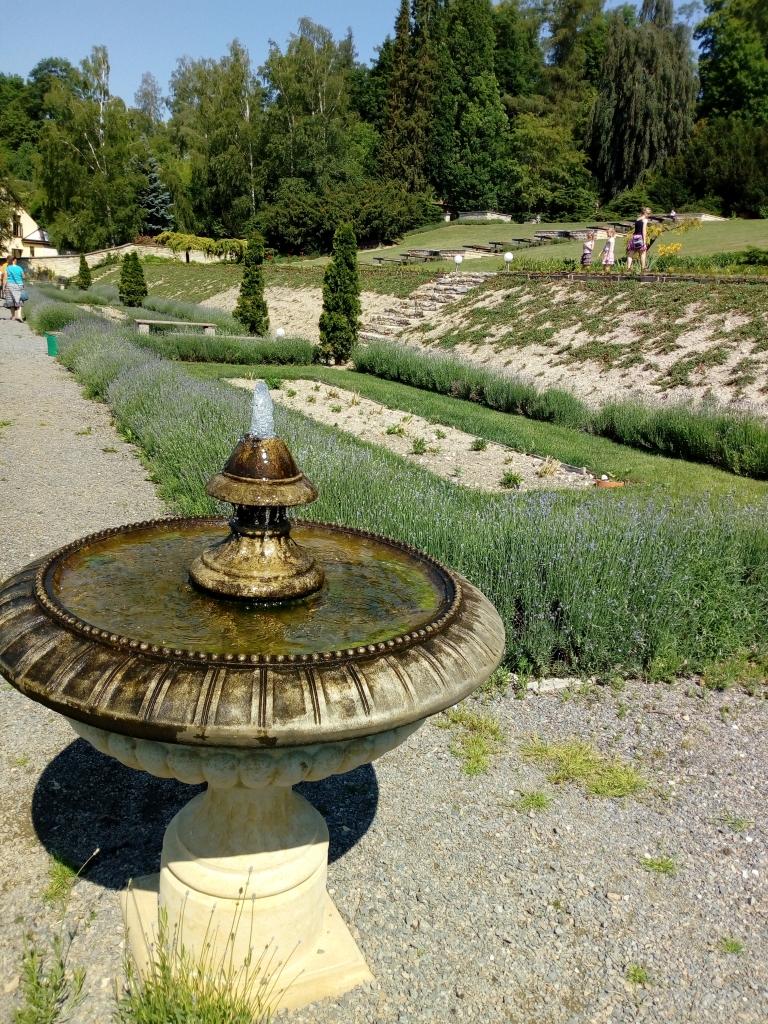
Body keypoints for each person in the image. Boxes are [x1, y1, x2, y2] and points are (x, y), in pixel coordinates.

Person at [626, 208, 651, 272]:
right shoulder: (645, 220)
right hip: (640, 237)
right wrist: (644, 241)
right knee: (643, 252)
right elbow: (644, 231)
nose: (649, 215)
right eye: (648, 213)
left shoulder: (638, 219)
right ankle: (643, 268)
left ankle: (628, 268)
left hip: (634, 236)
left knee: (631, 252)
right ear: (644, 213)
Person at [4, 256, 25, 321]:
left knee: (11, 300)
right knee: (19, 299)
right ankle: (19, 315)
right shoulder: (20, 268)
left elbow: (5, 278)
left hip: (10, 285)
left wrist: (4, 287)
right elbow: (23, 277)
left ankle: (13, 316)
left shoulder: (7, 268)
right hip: (19, 285)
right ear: (15, 261)